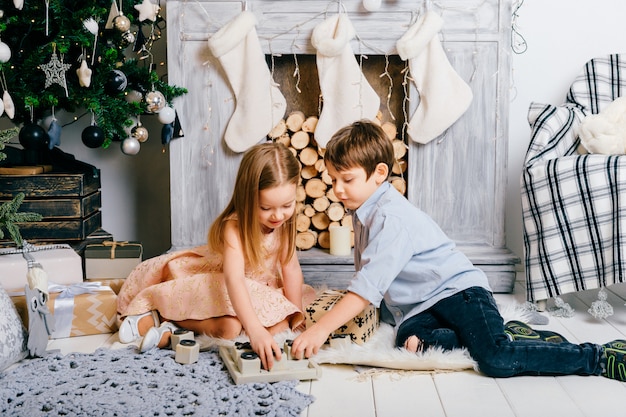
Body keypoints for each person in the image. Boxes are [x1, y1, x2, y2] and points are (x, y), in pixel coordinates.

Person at [291, 120, 626, 381]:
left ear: (379, 173)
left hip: (460, 292)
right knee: (408, 340)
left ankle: (596, 356)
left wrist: (320, 328)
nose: (336, 190)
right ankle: (493, 331)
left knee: (495, 359)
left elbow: (367, 288)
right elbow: (368, 273)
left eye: (345, 180)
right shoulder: (365, 211)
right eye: (332, 179)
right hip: (423, 305)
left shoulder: (393, 218)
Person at [117, 142, 316, 370]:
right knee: (231, 329)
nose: (278, 215)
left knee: (281, 326)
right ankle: (165, 320)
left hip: (260, 288)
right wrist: (253, 329)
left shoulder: (285, 223)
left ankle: (177, 332)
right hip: (224, 283)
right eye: (266, 208)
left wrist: (296, 315)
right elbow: (234, 280)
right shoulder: (235, 226)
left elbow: (291, 269)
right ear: (247, 198)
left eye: (287, 205)